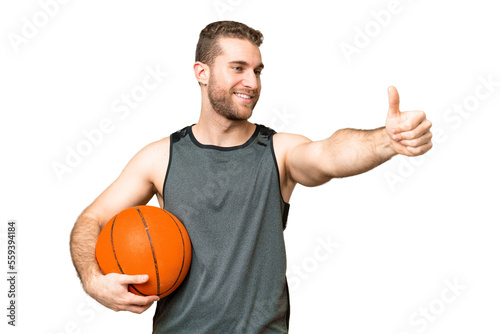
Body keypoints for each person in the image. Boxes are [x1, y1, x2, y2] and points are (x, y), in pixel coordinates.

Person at [70, 21, 432, 333]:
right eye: (238, 68)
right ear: (202, 72)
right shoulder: (159, 157)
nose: (252, 82)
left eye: (257, 71)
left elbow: (330, 154)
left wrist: (386, 141)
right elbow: (92, 219)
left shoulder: (279, 152)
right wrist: (93, 280)